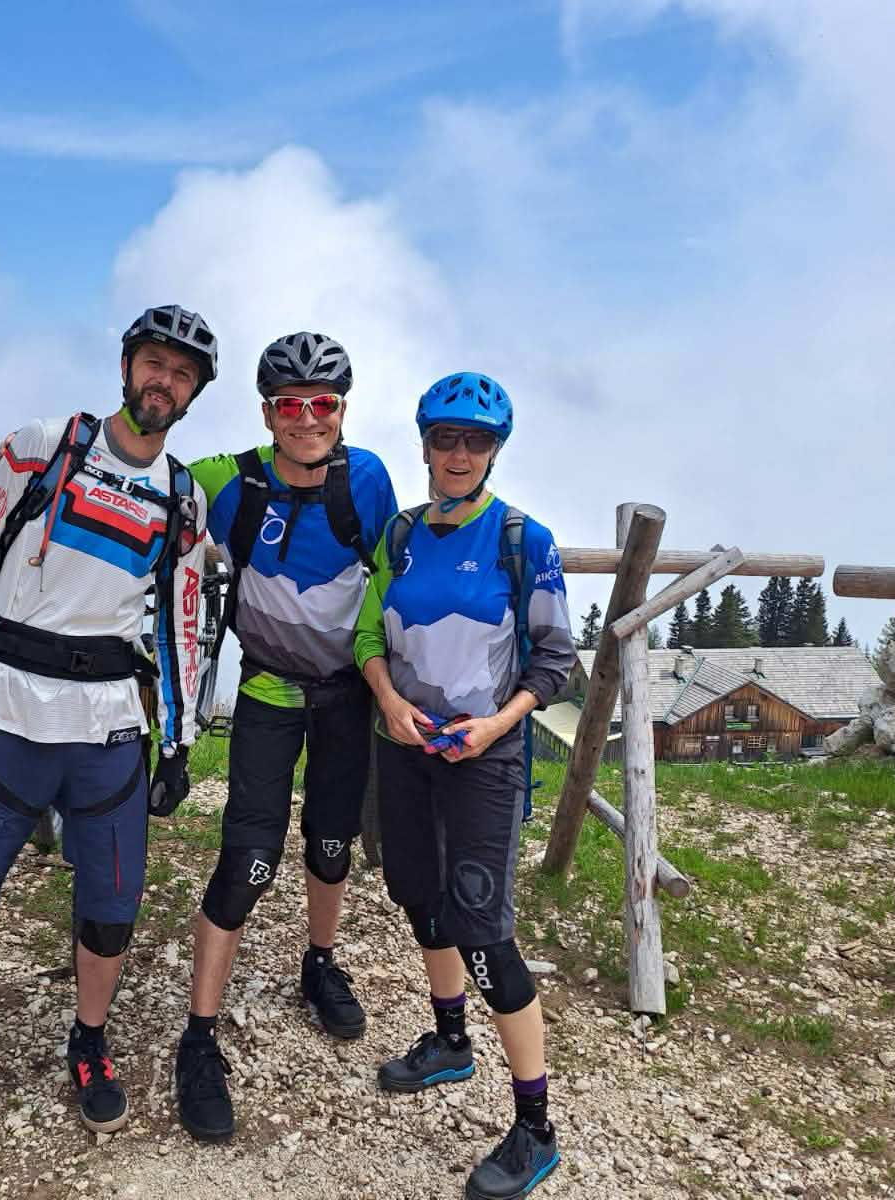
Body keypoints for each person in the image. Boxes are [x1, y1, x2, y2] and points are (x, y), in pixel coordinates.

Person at [0, 305, 215, 1168]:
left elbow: (182, 623)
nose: (164, 382)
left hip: (108, 725)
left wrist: (179, 741)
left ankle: (90, 1039)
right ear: (127, 366)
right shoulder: (44, 446)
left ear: (193, 394)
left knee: (110, 912)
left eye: (182, 374)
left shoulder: (184, 498)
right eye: (154, 363)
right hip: (7, 712)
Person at [354, 372, 576, 1199]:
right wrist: (387, 699)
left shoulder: (524, 539)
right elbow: (368, 634)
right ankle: (451, 1042)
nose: (458, 453)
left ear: (494, 451)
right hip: (405, 749)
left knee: (483, 930)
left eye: (475, 440)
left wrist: (494, 725)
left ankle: (535, 1128)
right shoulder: (401, 535)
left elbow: (555, 660)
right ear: (425, 444)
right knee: (419, 896)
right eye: (444, 437)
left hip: (485, 757)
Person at [173, 332, 398, 1143]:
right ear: (267, 413)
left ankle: (319, 962)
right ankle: (199, 1037)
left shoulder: (366, 479)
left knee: (332, 845)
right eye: (290, 405)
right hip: (267, 691)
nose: (308, 419)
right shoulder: (227, 481)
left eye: (323, 403)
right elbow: (145, 487)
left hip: (345, 698)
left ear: (343, 409)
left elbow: (392, 580)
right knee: (248, 860)